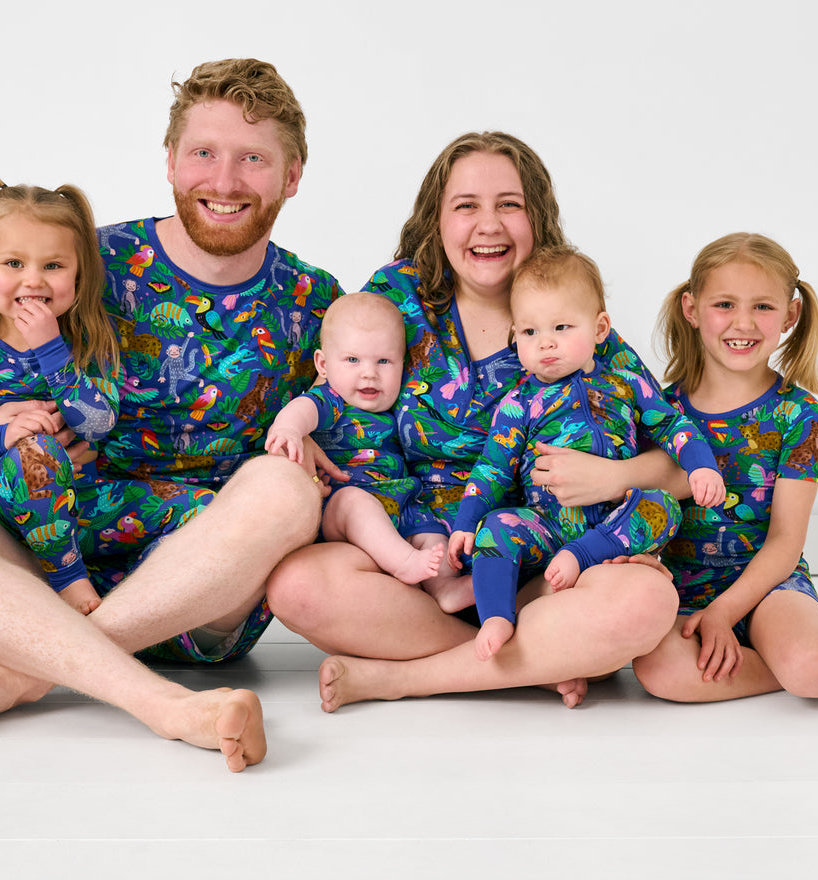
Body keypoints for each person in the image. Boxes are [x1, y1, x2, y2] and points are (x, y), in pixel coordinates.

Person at [0, 58, 340, 770]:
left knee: (285, 490)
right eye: (204, 154)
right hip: (45, 556)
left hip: (202, 590)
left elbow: (367, 429)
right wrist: (1, 425)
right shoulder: (80, 261)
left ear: (292, 175)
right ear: (169, 161)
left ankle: (22, 676)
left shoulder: (316, 301)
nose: (223, 181)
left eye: (253, 158)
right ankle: (162, 705)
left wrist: (314, 433)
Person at [266, 131, 681, 712]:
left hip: (538, 558)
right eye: (466, 206)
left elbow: (678, 462)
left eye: (509, 205)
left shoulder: (565, 315)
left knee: (643, 603)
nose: (488, 225)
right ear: (436, 220)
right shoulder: (399, 296)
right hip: (416, 553)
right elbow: (339, 370)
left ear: (537, 218)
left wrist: (612, 479)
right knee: (297, 587)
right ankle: (531, 657)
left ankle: (406, 677)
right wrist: (304, 428)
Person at [0, 177, 215, 617]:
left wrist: (53, 351)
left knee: (204, 509)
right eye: (12, 263)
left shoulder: (90, 335)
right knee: (38, 450)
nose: (33, 280)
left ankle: (137, 600)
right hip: (10, 507)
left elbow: (98, 424)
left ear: (78, 272)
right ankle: (67, 580)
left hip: (87, 503)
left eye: (53, 266)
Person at [632, 232, 818, 700]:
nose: (742, 322)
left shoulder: (799, 415)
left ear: (790, 314)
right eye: (724, 303)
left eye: (763, 307)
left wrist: (726, 613)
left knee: (816, 672)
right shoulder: (658, 414)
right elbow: (641, 510)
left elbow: (786, 541)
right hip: (685, 593)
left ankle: (816, 661)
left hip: (771, 585)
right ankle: (786, 666)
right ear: (691, 308)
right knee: (659, 673)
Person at [448, 245, 726, 660]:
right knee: (496, 526)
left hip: (614, 523)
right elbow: (492, 469)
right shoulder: (518, 403)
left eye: (561, 328)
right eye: (529, 332)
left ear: (600, 329)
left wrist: (701, 467)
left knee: (662, 505)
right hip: (546, 523)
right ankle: (496, 617)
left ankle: (582, 556)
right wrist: (466, 522)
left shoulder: (626, 383)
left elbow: (673, 424)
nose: (545, 344)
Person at [265, 291, 445, 584]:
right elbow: (305, 408)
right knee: (355, 504)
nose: (369, 374)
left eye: (384, 361)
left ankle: (445, 588)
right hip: (338, 505)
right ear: (323, 365)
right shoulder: (333, 400)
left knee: (435, 536)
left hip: (400, 500)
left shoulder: (398, 407)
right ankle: (405, 563)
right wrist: (288, 429)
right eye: (352, 359)